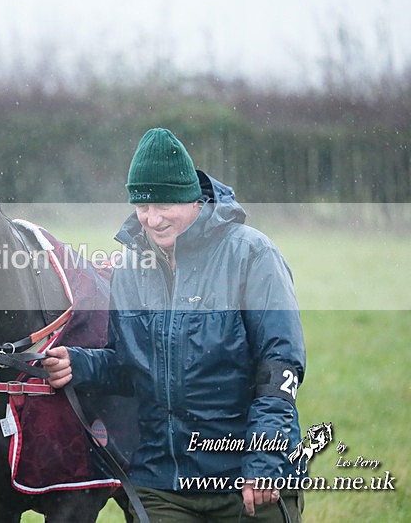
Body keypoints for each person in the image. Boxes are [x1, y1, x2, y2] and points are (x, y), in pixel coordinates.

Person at [43, 128, 306, 522]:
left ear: (194, 199)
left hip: (245, 479)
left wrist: (268, 458)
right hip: (161, 484)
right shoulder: (130, 269)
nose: (153, 219)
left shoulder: (252, 254)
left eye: (165, 204)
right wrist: (80, 364)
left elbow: (279, 368)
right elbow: (131, 367)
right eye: (142, 206)